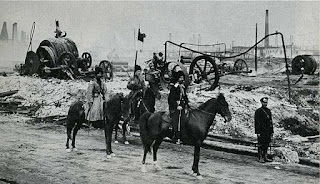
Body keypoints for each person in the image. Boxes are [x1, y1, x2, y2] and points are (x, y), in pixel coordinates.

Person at [168, 70, 189, 144]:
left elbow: (184, 97)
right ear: (177, 79)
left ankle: (184, 136)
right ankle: (176, 136)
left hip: (182, 106)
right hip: (175, 108)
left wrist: (187, 104)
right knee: (176, 121)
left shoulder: (182, 87)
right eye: (180, 78)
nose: (182, 79)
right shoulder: (174, 88)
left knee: (184, 121)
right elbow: (171, 99)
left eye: (183, 77)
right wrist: (176, 106)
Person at [254, 97, 274, 163]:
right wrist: (258, 132)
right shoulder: (258, 111)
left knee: (267, 143)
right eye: (264, 102)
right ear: (261, 103)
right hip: (261, 130)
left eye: (266, 102)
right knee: (261, 144)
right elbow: (257, 122)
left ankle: (265, 156)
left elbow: (270, 121)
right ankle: (260, 157)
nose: (265, 104)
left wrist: (272, 131)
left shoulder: (268, 111)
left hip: (267, 130)